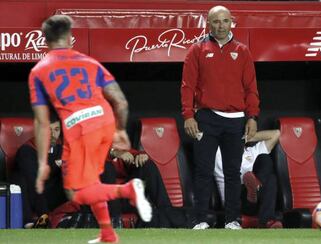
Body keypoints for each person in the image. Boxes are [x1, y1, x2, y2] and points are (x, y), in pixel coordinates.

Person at [28, 15, 151, 243]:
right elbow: (121, 102)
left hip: (80, 128)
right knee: (93, 182)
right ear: (70, 38)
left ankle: (128, 191)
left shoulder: (39, 71)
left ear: (44, 40)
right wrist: (121, 130)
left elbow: (42, 122)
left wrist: (43, 162)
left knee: (76, 193)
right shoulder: (90, 62)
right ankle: (108, 234)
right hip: (105, 121)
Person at [181, 5, 260, 230]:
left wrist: (252, 117)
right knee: (203, 171)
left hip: (236, 120)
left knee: (233, 173)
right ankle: (200, 220)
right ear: (208, 24)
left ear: (231, 22)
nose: (221, 26)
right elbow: (187, 86)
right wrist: (188, 115)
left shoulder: (243, 51)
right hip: (206, 118)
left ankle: (232, 220)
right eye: (216, 21)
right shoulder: (196, 50)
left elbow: (251, 88)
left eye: (225, 21)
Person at [214, 130, 283, 228]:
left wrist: (246, 137)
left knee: (265, 160)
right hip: (236, 201)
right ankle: (267, 220)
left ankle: (256, 187)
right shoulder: (219, 153)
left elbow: (276, 134)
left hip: (258, 202)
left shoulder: (253, 151)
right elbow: (204, 137)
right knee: (269, 179)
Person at [108, 148, 191, 228]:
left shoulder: (115, 144)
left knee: (147, 165)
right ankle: (183, 220)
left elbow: (131, 154)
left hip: (127, 194)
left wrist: (142, 156)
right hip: (109, 199)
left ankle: (166, 209)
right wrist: (113, 153)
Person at [12, 117, 67, 228]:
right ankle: (30, 222)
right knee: (19, 177)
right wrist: (55, 165)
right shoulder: (26, 150)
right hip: (32, 196)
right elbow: (33, 180)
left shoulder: (62, 149)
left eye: (56, 130)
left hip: (52, 196)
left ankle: (91, 216)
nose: (52, 134)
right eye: (48, 130)